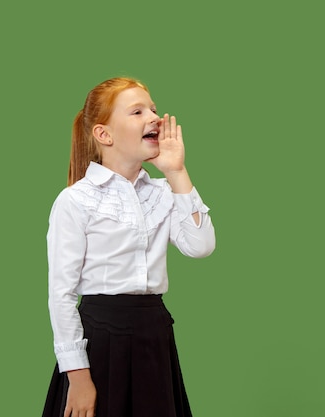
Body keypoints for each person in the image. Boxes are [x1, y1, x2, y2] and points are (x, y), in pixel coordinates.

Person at [42, 77, 216, 417]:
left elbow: (201, 246)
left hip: (154, 335)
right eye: (137, 112)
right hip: (100, 342)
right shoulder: (75, 201)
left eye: (153, 108)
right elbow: (61, 295)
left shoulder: (165, 192)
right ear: (104, 135)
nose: (154, 117)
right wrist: (77, 377)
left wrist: (177, 172)